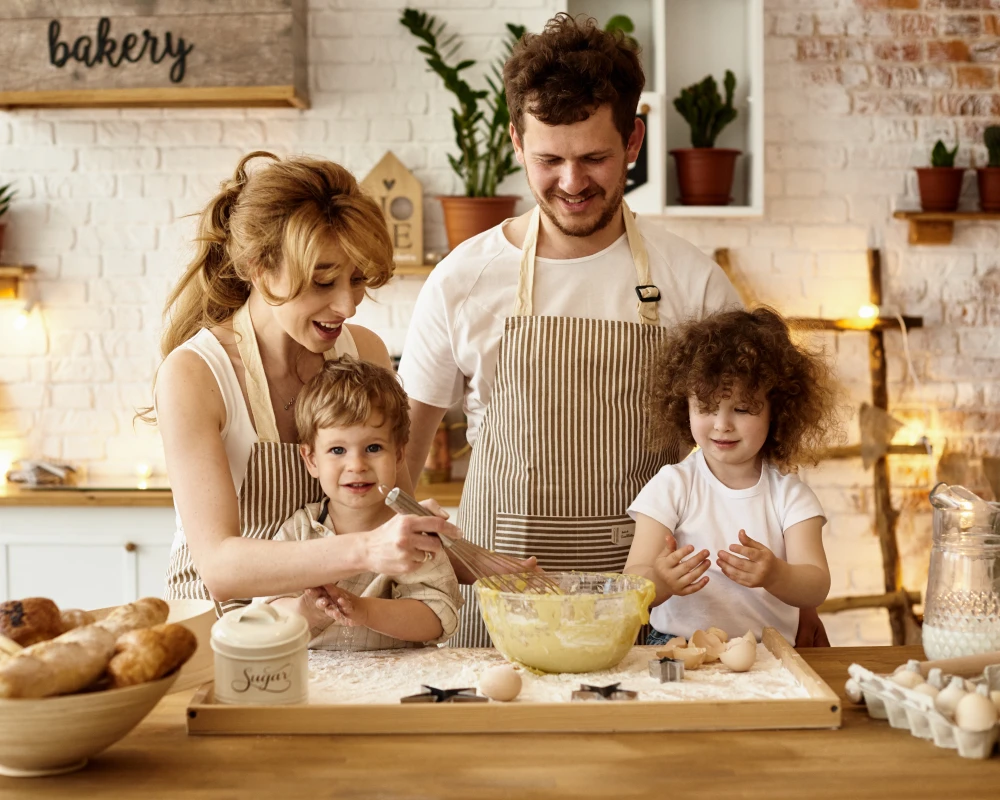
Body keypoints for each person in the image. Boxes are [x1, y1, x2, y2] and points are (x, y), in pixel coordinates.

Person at [397, 15, 742, 646]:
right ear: (515, 142)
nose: (572, 182)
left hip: (647, 615)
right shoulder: (462, 279)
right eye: (548, 159)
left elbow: (751, 461)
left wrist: (791, 596)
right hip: (498, 610)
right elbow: (400, 465)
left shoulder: (695, 285)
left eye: (594, 157)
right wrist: (408, 577)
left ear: (634, 141)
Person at [153, 151, 460, 614]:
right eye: (322, 282)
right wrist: (367, 550)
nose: (348, 306)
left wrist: (485, 564)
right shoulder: (195, 374)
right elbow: (219, 567)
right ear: (259, 268)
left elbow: (392, 511)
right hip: (220, 631)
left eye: (357, 279)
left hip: (332, 624)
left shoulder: (365, 353)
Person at [624, 307, 839, 644]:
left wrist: (776, 574)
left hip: (771, 652)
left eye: (741, 409)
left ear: (777, 412)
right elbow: (632, 578)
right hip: (677, 645)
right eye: (706, 408)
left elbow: (815, 585)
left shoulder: (791, 496)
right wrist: (661, 583)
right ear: (685, 407)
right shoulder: (672, 485)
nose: (722, 424)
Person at [261, 357, 462, 649]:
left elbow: (438, 616)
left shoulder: (411, 534)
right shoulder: (299, 532)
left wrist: (365, 610)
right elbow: (266, 615)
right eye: (338, 449)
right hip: (315, 684)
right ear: (312, 460)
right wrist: (308, 610)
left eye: (373, 448)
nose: (356, 464)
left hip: (398, 685)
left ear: (398, 455)